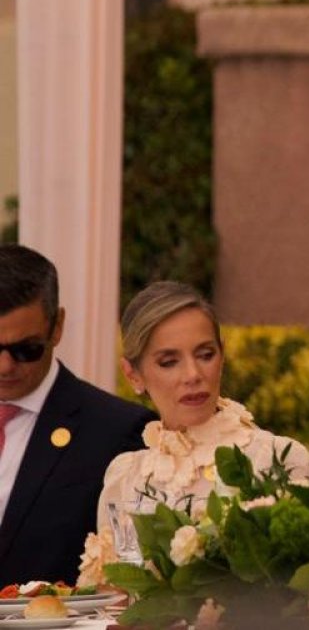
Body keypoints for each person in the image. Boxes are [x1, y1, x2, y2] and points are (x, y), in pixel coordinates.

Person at [84, 281, 309, 577]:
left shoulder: (277, 458)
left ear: (223, 355)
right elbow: (118, 597)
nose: (193, 375)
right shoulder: (124, 478)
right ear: (133, 375)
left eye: (205, 355)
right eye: (169, 362)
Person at [0, 244, 153, 584]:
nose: (5, 366)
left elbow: (134, 574)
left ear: (57, 327)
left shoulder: (118, 433)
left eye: (26, 349)